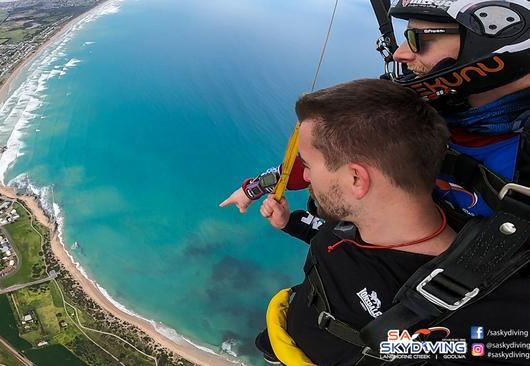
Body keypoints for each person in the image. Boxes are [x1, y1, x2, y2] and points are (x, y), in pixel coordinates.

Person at [253, 79, 530, 365]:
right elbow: (334, 242)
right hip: (286, 338)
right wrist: (290, 224)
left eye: (308, 166)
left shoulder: (496, 313)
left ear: (356, 179)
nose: (306, 178)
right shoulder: (353, 219)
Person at [219, 0, 530, 228]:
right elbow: (327, 161)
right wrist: (255, 188)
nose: (400, 54)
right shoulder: (413, 114)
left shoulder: (515, 154)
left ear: (493, 43)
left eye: (418, 40)